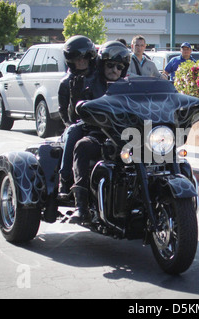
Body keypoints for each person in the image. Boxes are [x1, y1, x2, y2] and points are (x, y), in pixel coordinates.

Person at [70, 41, 131, 224]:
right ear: (103, 64)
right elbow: (75, 113)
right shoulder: (89, 84)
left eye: (119, 67)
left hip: (129, 137)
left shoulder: (130, 86)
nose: (114, 70)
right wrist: (77, 100)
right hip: (100, 135)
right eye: (110, 65)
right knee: (82, 146)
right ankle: (81, 206)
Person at [57, 35, 99, 199]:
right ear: (70, 60)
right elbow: (63, 112)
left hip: (100, 123)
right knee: (73, 132)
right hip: (77, 123)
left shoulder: (99, 77)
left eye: (84, 57)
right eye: (77, 58)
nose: (81, 61)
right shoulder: (66, 82)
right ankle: (65, 180)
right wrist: (72, 120)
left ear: (91, 57)